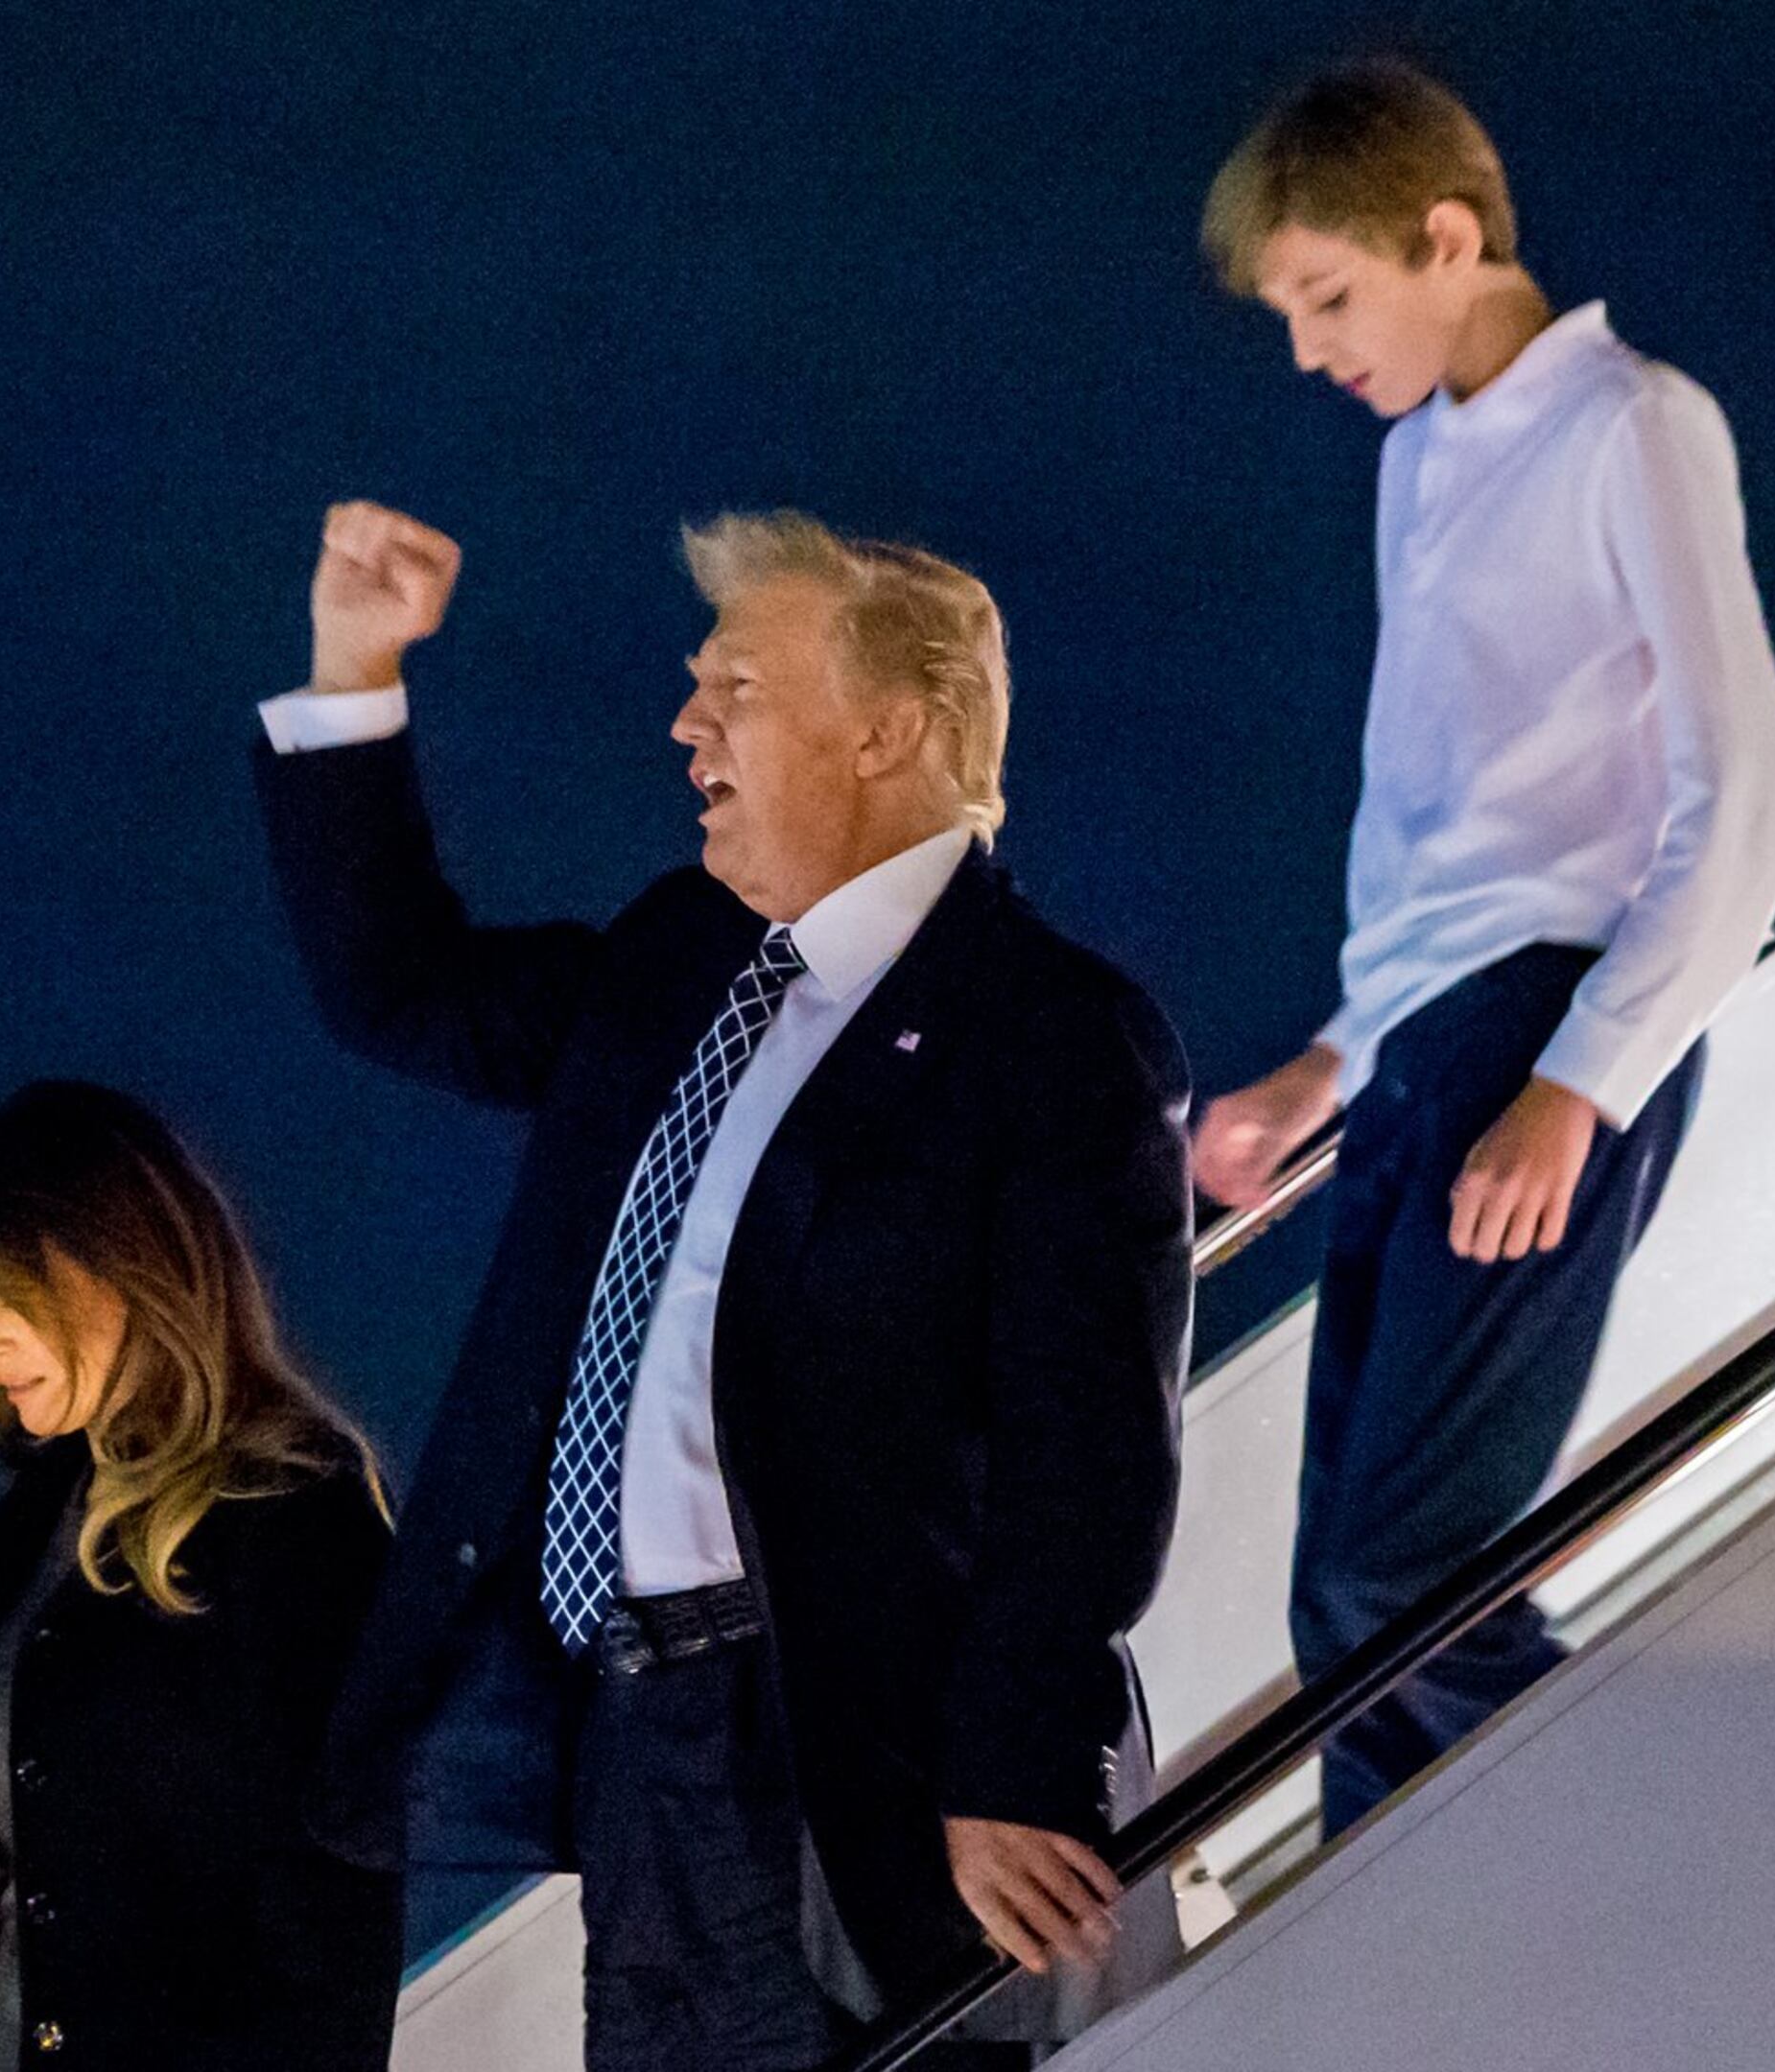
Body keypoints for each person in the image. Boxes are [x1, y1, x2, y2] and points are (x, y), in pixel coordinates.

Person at [253, 503, 1192, 2069]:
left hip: (836, 1748)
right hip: (638, 1749)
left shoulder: (1047, 1038)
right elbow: (402, 989)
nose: (687, 721)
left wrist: (1014, 1760)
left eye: (739, 688)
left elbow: (1083, 1449)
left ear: (889, 726)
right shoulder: (680, 958)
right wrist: (353, 671)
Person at [1187, 59, 1775, 1836]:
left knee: (1407, 1578)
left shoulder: (1631, 421)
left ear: (1445, 238)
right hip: (1427, 1048)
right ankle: (1453, 1977)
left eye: (1330, 295)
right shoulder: (1419, 466)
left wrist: (1579, 1083)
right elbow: (1458, 826)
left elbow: (1745, 799)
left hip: (1540, 1038)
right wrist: (1326, 1059)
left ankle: (1704, 1884)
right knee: (1338, 1613)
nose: (1309, 349)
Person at [0, 1080, 402, 2071]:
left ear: (117, 1265)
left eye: (8, 1294)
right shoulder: (29, 1538)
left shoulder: (294, 1521)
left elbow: (329, 1922)